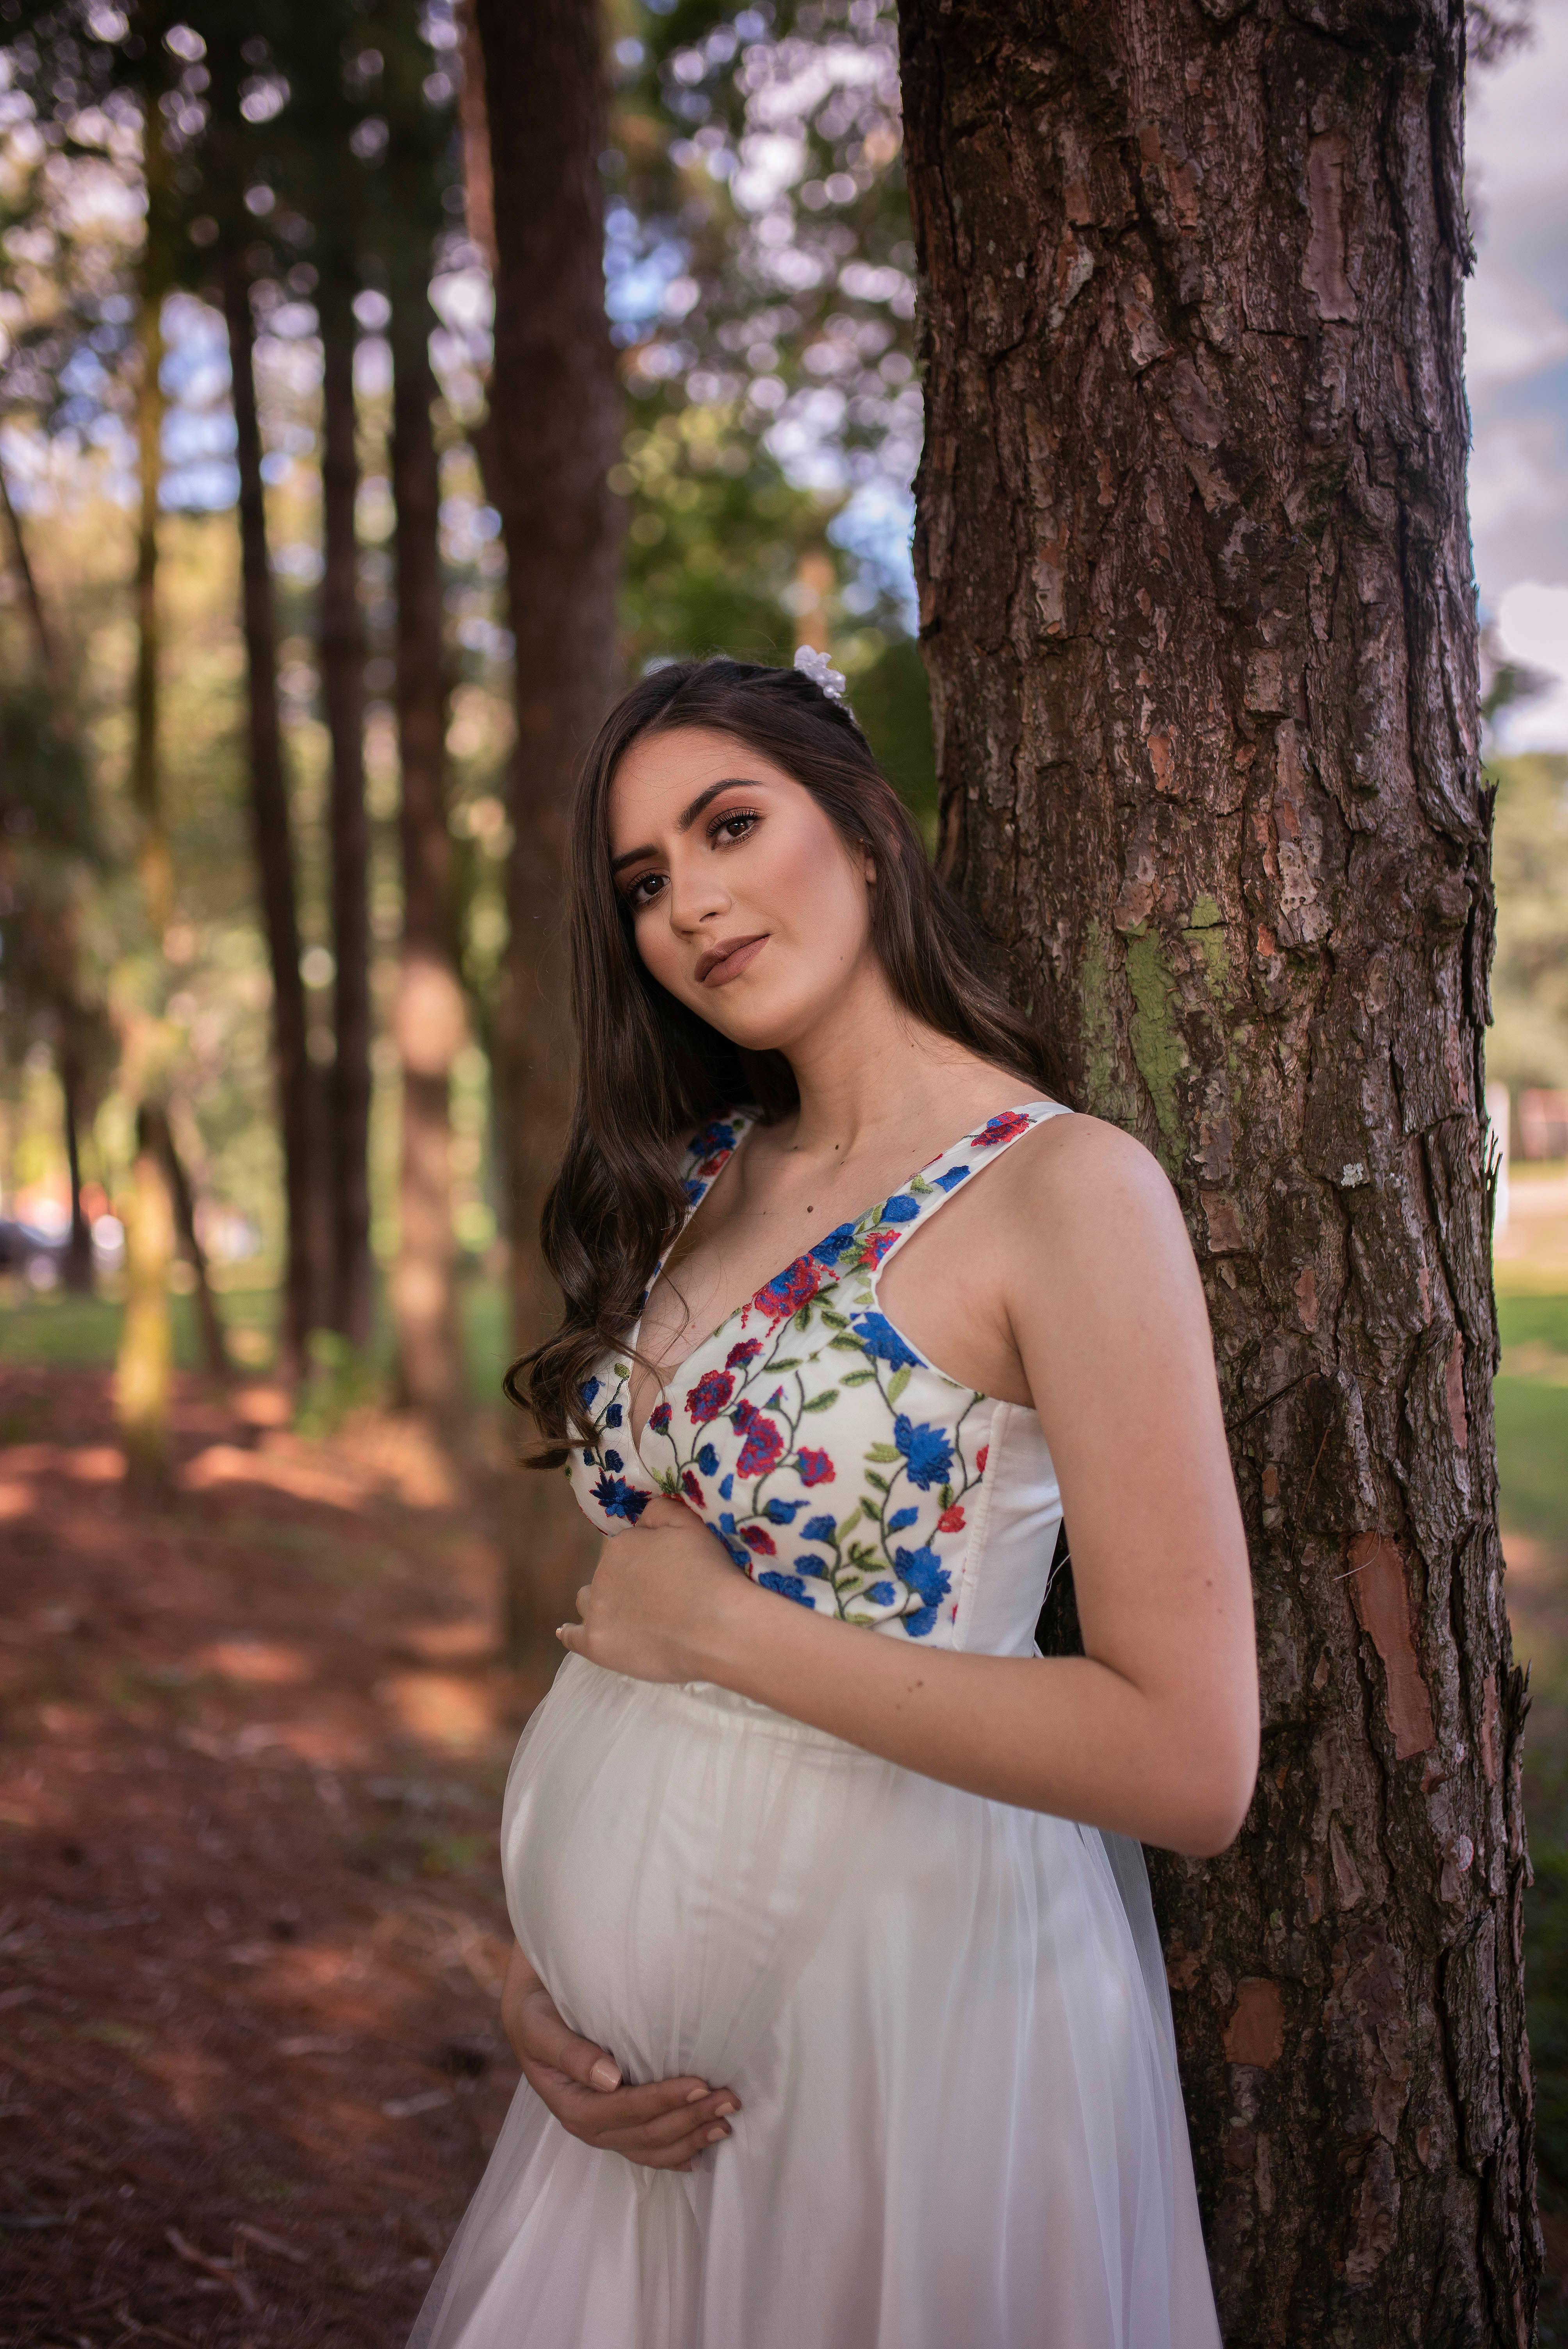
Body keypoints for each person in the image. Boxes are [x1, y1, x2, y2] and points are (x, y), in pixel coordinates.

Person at [409, 652, 1258, 2349]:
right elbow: (632, 1648)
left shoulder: (1062, 1193)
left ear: (865, 827)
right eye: (644, 882)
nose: (690, 905)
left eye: (731, 825)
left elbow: (1187, 1760)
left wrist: (720, 1630)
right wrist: (548, 1980)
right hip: (623, 2109)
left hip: (905, 2028)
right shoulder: (708, 1174)